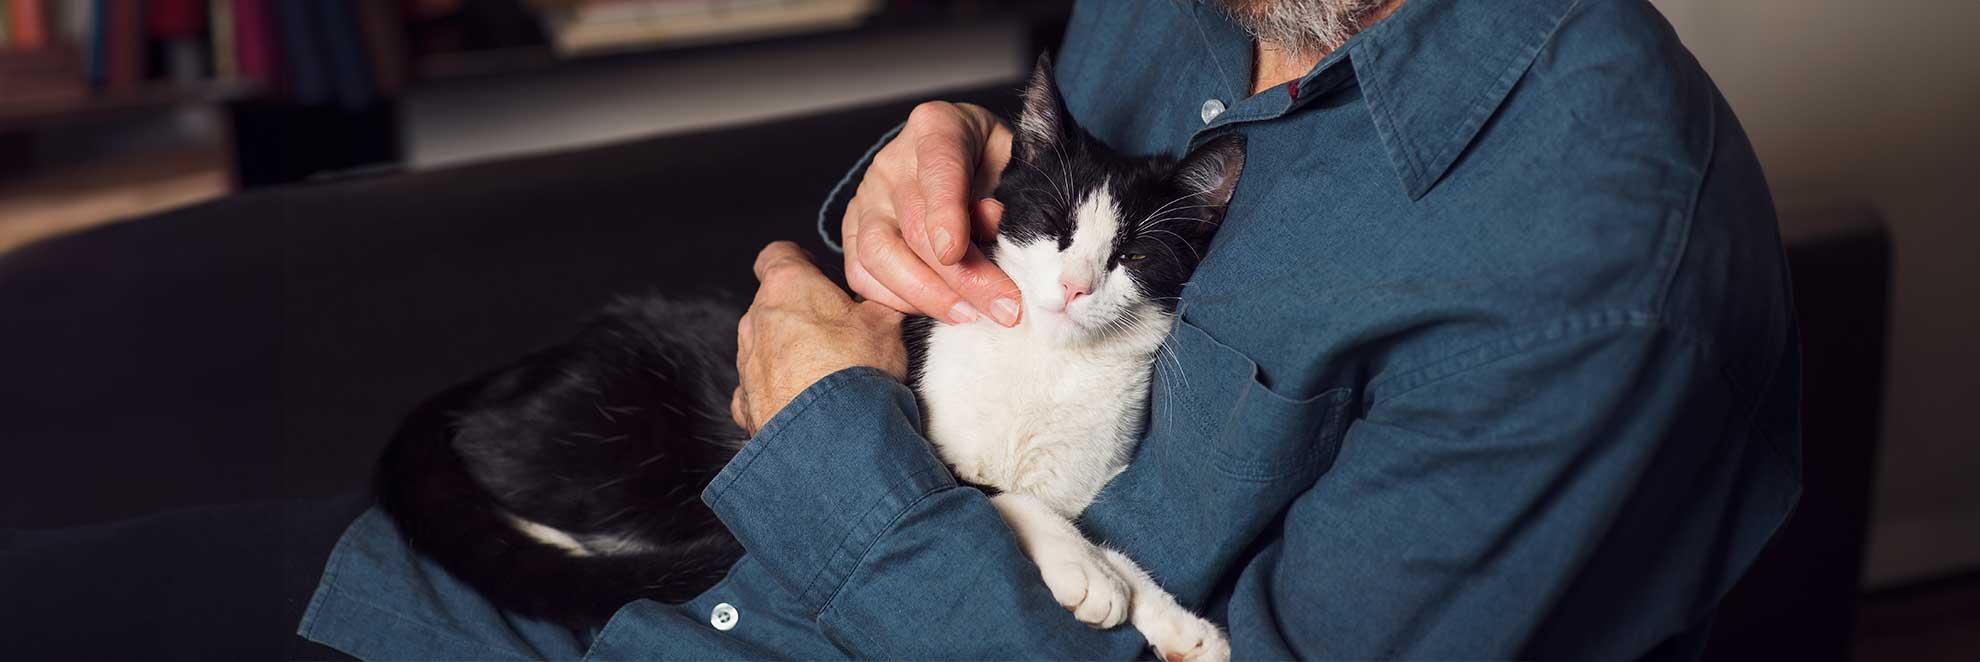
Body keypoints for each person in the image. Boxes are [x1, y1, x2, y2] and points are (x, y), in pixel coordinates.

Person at [17, 1, 1798, 659]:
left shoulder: (1585, 251)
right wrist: (909, 169)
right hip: (673, 562)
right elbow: (1038, 220)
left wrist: (830, 453)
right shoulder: (1186, 14)